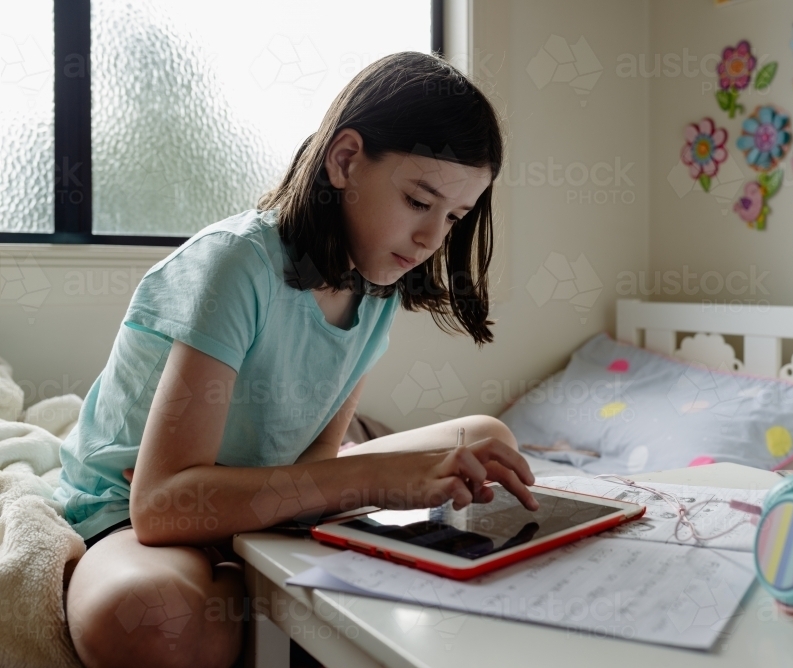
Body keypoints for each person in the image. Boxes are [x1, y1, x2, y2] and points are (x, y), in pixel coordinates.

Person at [58, 51, 538, 668]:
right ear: (345, 161)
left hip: (251, 500)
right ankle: (252, 585)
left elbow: (312, 462)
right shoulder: (235, 264)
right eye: (420, 201)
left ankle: (252, 576)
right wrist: (375, 482)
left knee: (486, 439)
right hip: (133, 513)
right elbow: (160, 507)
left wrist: (364, 484)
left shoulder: (377, 287)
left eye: (454, 217)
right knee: (145, 622)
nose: (431, 240)